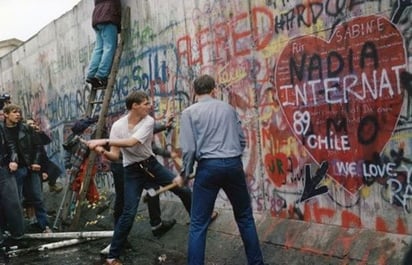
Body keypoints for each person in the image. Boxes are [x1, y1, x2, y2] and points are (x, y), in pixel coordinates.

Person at [87, 91, 191, 265]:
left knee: (183, 190)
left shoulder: (148, 121)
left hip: (151, 166)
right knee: (129, 212)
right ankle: (112, 257)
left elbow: (132, 142)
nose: (149, 106)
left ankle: (198, 220)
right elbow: (114, 156)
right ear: (134, 106)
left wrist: (103, 141)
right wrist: (102, 151)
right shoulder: (118, 126)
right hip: (132, 171)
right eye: (145, 103)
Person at [179, 74, 265, 265]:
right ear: (214, 90)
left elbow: (189, 149)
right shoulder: (228, 109)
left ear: (194, 92)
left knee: (198, 224)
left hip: (208, 168)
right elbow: (241, 140)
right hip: (233, 165)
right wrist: (231, 154)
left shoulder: (189, 113)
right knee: (244, 217)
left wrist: (185, 172)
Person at [3, 104, 52, 233]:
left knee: (37, 197)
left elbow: (38, 146)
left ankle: (44, 225)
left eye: (19, 112)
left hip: (30, 167)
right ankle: (17, 230)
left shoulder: (26, 128)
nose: (18, 114)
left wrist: (36, 162)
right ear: (6, 114)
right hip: (13, 170)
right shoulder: (3, 130)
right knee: (15, 201)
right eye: (14, 112)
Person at [0, 121, 25, 249]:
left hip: (3, 168)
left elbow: (10, 144)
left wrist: (13, 159)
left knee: (13, 203)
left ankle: (18, 236)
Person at [85, 0, 122, 89]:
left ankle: (91, 74)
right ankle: (101, 75)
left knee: (99, 48)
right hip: (108, 16)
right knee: (109, 47)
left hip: (97, 17)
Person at [26, 118, 63, 193]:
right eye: (30, 124)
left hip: (43, 158)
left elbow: (47, 141)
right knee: (39, 180)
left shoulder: (36, 133)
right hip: (36, 161)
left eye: (33, 124)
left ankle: (52, 185)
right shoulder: (26, 136)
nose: (32, 126)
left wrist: (40, 132)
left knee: (55, 170)